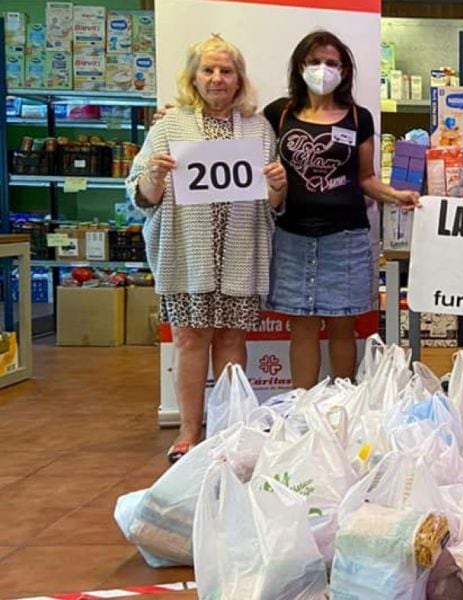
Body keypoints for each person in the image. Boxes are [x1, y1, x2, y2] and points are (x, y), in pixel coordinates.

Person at [127, 35, 286, 463]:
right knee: (189, 339)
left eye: (226, 71)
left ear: (239, 80)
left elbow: (274, 205)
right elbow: (140, 195)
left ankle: (230, 429)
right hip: (185, 253)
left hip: (239, 250)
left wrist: (277, 188)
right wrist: (155, 178)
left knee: (233, 339)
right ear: (193, 77)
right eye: (208, 70)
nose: (217, 78)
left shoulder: (257, 128)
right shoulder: (169, 126)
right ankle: (188, 432)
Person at [262, 31, 420, 389]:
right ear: (299, 66)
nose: (322, 69)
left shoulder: (358, 117)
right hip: (292, 236)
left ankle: (341, 407)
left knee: (342, 326)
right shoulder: (279, 112)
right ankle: (303, 407)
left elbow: (365, 178)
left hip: (346, 236)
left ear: (345, 69)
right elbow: (239, 130)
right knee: (301, 326)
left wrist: (395, 195)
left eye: (331, 63)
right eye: (314, 61)